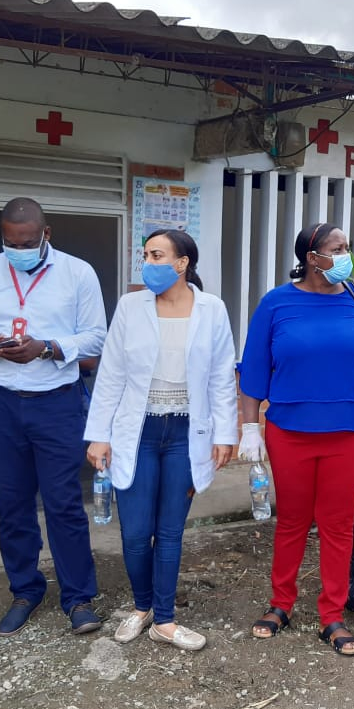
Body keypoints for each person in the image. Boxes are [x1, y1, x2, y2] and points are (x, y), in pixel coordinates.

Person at [237, 222, 354, 656]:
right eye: (337, 249)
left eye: (347, 248)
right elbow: (254, 367)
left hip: (349, 431)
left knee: (337, 525)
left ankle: (332, 616)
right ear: (311, 257)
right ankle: (281, 604)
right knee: (293, 521)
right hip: (290, 431)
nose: (345, 256)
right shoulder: (277, 304)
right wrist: (248, 427)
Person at [0, 198, 108, 637]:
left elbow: (97, 336)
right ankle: (25, 590)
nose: (17, 249)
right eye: (9, 242)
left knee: (62, 505)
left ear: (46, 235)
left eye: (27, 242)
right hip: (0, 401)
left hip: (57, 402)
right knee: (12, 504)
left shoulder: (78, 273)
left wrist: (47, 347)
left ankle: (78, 598)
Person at [85, 230, 237, 652]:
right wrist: (98, 435)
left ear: (182, 262)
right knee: (135, 533)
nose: (148, 263)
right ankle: (141, 606)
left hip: (187, 432)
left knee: (170, 532)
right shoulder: (131, 307)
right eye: (146, 255)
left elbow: (223, 375)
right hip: (138, 430)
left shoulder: (212, 309)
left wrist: (226, 433)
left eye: (157, 255)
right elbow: (111, 372)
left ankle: (164, 620)